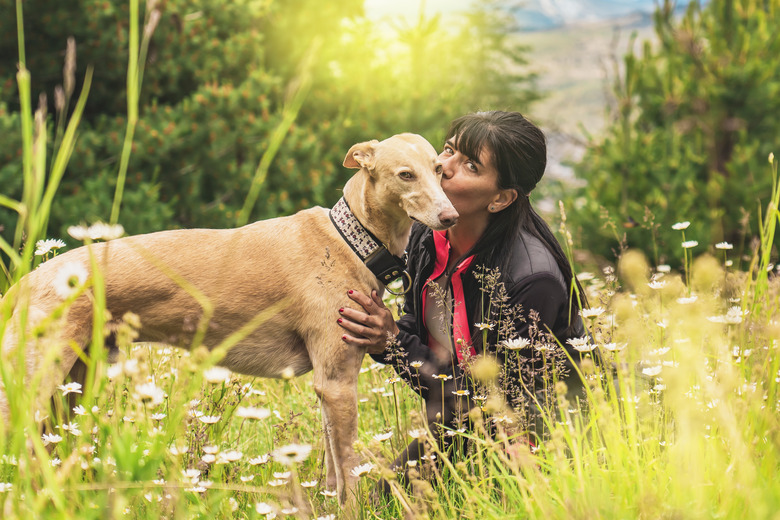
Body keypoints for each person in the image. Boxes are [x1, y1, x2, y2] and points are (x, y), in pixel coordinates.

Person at [337, 110, 592, 489]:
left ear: (501, 198)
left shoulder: (532, 279)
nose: (442, 165)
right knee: (383, 504)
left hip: (537, 440)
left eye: (470, 165)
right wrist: (388, 332)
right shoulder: (428, 237)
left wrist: (392, 345)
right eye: (448, 149)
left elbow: (490, 403)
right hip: (461, 423)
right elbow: (419, 327)